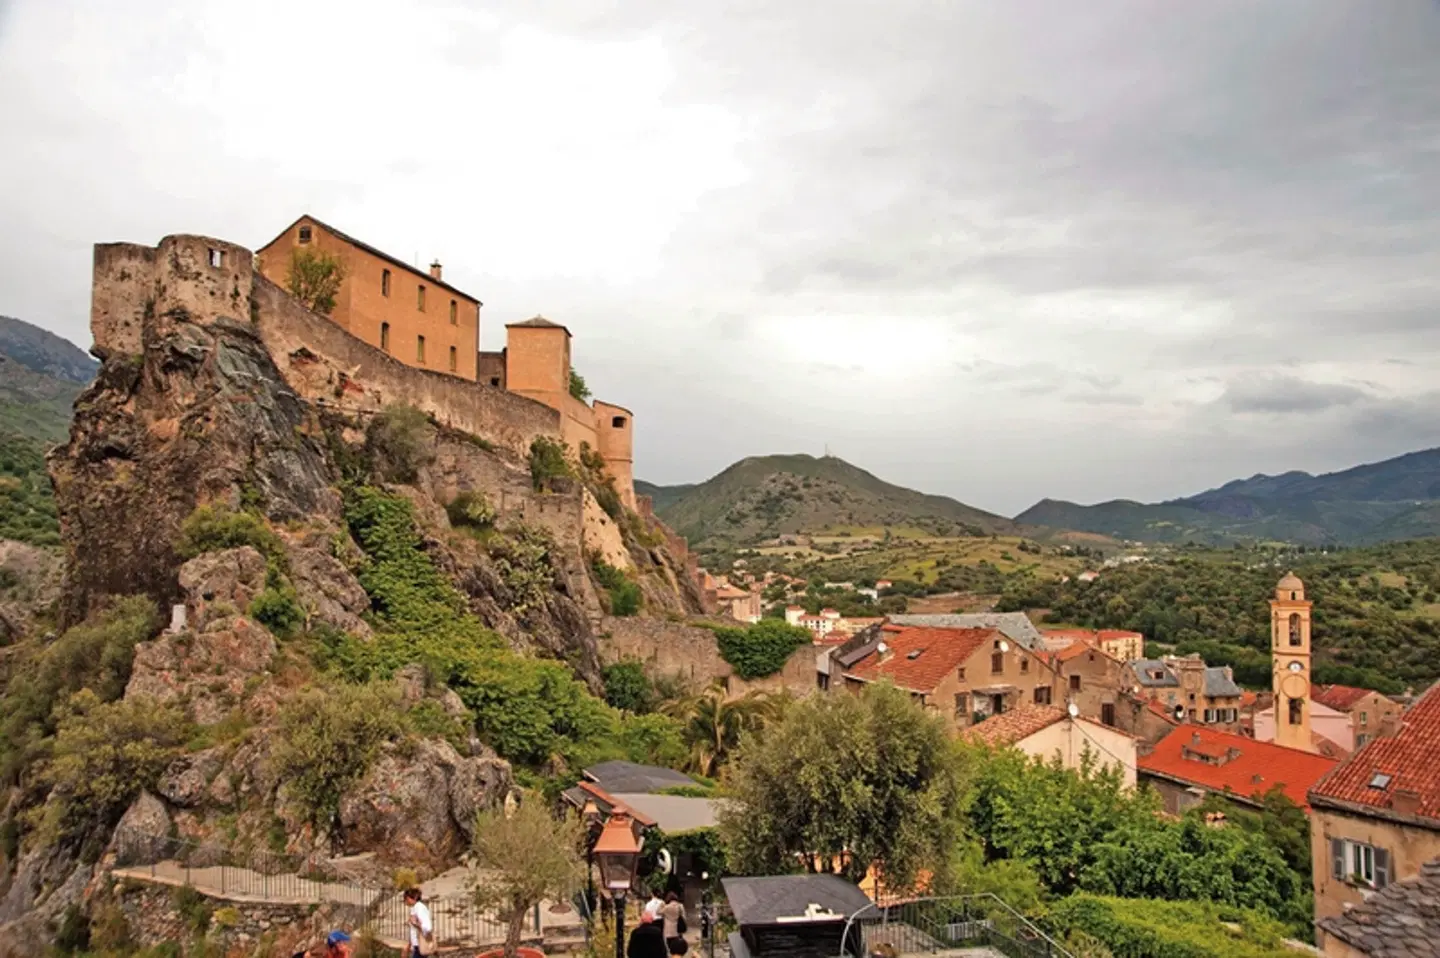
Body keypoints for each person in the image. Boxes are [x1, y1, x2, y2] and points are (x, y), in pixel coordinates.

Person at [404, 887, 433, 958]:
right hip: (417, 945)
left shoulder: (420, 908)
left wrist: (416, 924)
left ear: (410, 898)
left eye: (406, 899)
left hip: (421, 944)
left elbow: (427, 927)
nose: (405, 901)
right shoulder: (415, 908)